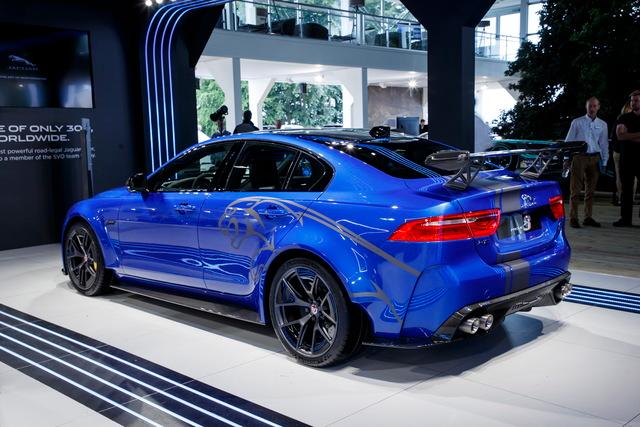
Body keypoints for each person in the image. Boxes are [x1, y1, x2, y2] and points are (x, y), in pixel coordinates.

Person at [565, 97, 609, 228]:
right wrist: (566, 159)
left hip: (595, 158)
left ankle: (588, 217)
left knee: (591, 190)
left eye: (595, 106)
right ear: (586, 107)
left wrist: (604, 161)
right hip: (579, 157)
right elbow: (568, 141)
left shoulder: (603, 124)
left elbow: (604, 144)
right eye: (590, 106)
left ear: (598, 107)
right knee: (575, 189)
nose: (592, 108)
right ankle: (573, 218)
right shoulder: (577, 122)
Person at [613, 90, 640, 227]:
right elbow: (620, 136)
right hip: (627, 158)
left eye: (636, 100)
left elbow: (625, 135)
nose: (633, 103)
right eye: (632, 101)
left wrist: (629, 135)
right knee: (626, 190)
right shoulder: (624, 118)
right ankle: (625, 219)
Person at [611, 101, 632, 205]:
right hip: (622, 151)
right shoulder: (624, 120)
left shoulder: (619, 120)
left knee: (621, 175)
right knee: (622, 175)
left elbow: (613, 137)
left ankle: (624, 199)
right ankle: (624, 198)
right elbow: (614, 137)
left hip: (621, 151)